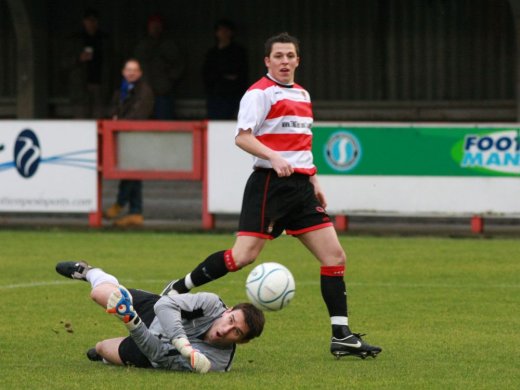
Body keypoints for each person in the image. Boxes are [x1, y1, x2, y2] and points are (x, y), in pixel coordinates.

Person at [162, 33, 382, 360]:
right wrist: (274, 157)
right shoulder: (259, 93)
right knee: (242, 257)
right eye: (277, 56)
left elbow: (301, 145)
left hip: (301, 189)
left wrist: (314, 179)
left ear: (297, 60)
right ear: (267, 61)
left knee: (335, 257)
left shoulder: (304, 94)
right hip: (269, 184)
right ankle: (179, 288)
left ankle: (341, 336)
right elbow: (242, 138)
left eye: (289, 56)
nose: (284, 61)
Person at [55, 261, 265, 372]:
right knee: (98, 293)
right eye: (231, 320)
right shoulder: (211, 303)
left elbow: (158, 355)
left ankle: (106, 356)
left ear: (242, 341)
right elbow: (165, 303)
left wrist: (132, 322)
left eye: (236, 332)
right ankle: (90, 272)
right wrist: (182, 343)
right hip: (155, 310)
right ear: (227, 310)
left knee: (100, 348)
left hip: (147, 352)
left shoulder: (217, 362)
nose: (226, 329)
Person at [103, 59, 154, 227]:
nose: (131, 73)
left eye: (134, 70)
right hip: (124, 137)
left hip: (136, 138)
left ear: (140, 73)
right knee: (132, 174)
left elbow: (140, 114)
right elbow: (111, 109)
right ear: (123, 72)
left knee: (131, 172)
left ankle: (120, 203)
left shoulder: (144, 91)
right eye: (128, 69)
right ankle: (135, 212)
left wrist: (119, 122)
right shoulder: (121, 90)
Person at [134, 15, 185, 119]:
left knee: (164, 125)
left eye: (157, 26)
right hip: (145, 93)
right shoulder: (141, 45)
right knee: (143, 126)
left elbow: (179, 64)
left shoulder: (169, 45)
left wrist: (169, 80)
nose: (155, 28)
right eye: (152, 26)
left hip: (163, 92)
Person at [64, 8, 110, 119]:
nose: (91, 23)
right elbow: (64, 63)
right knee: (81, 122)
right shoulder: (75, 40)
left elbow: (111, 64)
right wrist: (79, 58)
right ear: (84, 22)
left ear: (98, 22)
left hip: (100, 87)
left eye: (94, 20)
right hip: (80, 89)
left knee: (98, 122)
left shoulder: (104, 40)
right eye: (89, 20)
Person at [202, 19, 248, 119]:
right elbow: (207, 73)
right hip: (214, 96)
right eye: (220, 30)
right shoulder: (212, 53)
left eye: (226, 30)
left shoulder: (238, 52)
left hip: (232, 96)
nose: (223, 33)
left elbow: (239, 74)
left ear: (231, 33)